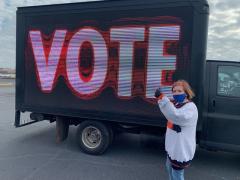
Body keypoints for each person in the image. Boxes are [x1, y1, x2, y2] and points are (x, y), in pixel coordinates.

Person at [155, 80, 198, 180]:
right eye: (174, 91)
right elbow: (171, 116)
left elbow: (175, 116)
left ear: (186, 92)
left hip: (180, 150)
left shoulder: (190, 107)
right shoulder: (177, 104)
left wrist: (162, 98)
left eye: (179, 91)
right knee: (169, 168)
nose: (176, 93)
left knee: (177, 175)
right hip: (172, 148)